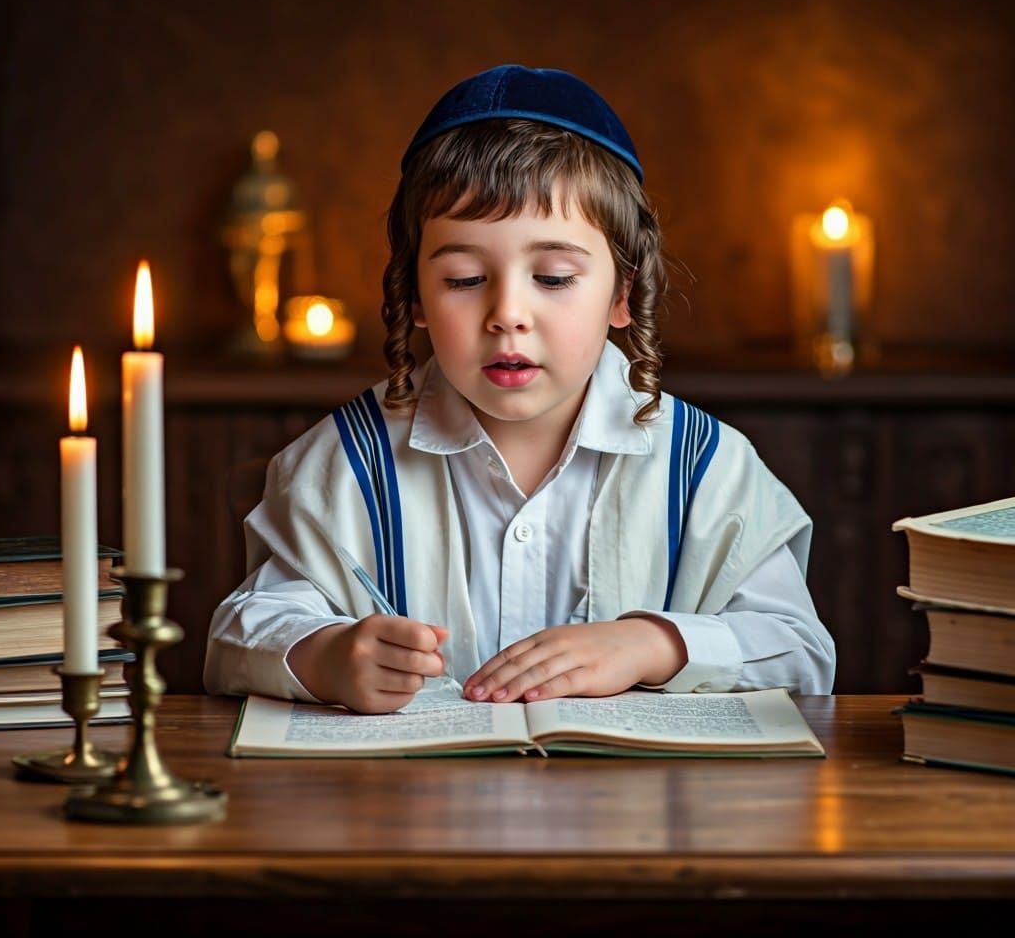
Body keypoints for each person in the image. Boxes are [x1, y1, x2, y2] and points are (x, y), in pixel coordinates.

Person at [204, 64, 835, 713]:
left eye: (554, 277)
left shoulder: (708, 468)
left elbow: (802, 652)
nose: (508, 313)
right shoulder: (341, 464)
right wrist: (325, 656)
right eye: (464, 279)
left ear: (622, 291)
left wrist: (653, 644)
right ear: (415, 296)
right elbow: (240, 635)